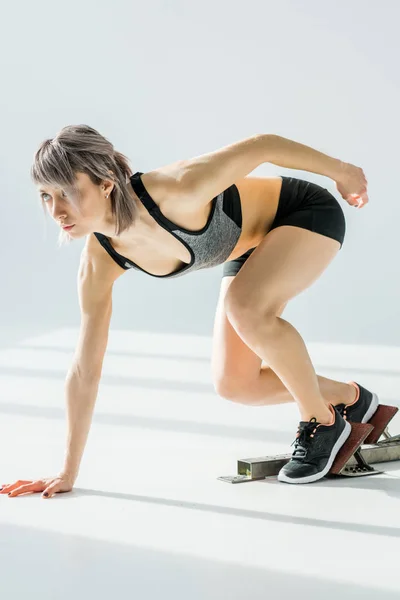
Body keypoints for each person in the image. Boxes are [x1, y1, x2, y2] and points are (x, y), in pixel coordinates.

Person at [1, 124, 379, 498]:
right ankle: (351, 398)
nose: (56, 210)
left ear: (105, 183)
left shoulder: (173, 189)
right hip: (250, 248)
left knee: (244, 306)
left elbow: (263, 145)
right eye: (46, 196)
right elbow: (85, 370)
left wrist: (342, 172)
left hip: (303, 212)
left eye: (67, 192)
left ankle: (322, 420)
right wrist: (67, 472)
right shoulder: (100, 260)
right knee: (235, 383)